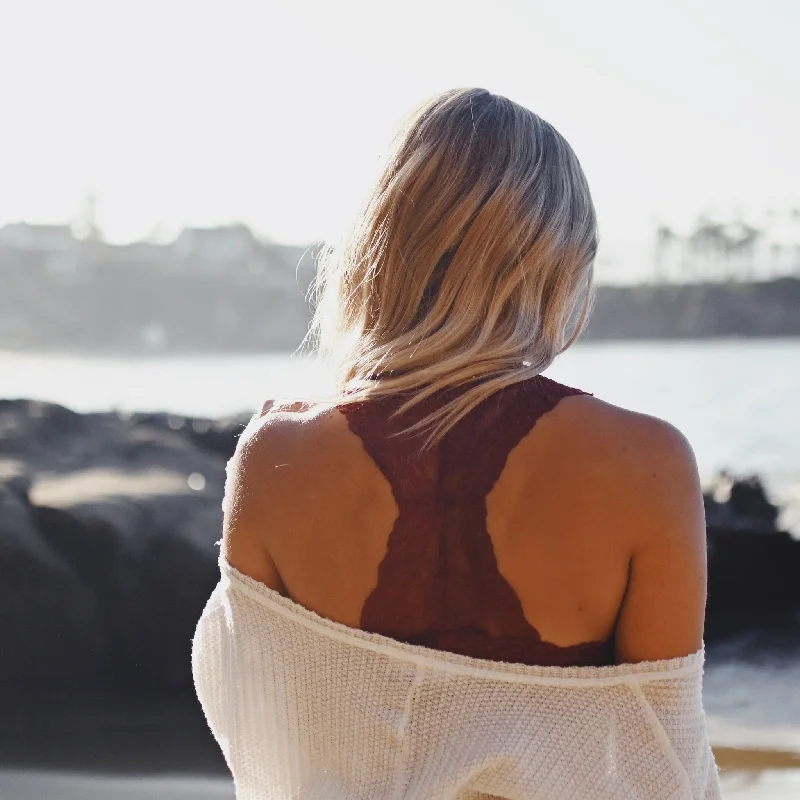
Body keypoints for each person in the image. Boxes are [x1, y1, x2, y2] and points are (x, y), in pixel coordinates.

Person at [193, 88, 721, 799]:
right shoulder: (644, 463)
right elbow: (663, 764)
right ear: (557, 261)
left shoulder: (275, 459)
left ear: (380, 248)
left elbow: (266, 745)